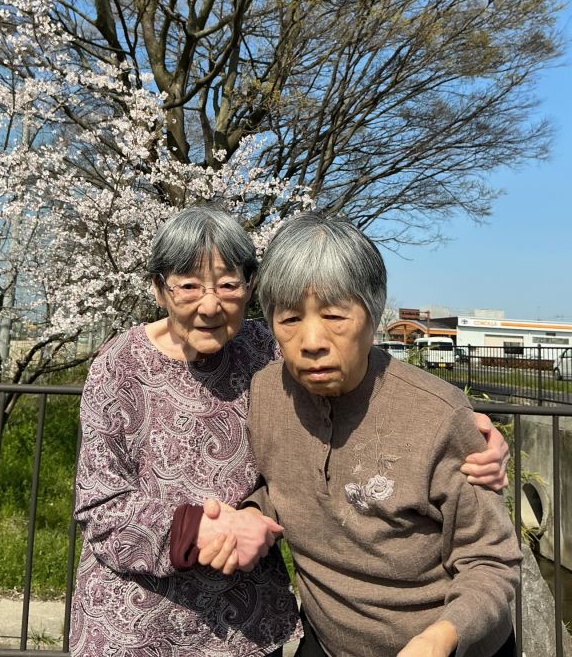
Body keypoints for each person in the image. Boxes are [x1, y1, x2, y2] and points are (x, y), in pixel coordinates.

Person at [70, 205, 511, 657]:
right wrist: (209, 526)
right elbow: (98, 501)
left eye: (227, 284)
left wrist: (479, 437)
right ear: (158, 289)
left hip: (247, 625)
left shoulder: (266, 352)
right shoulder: (121, 365)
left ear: (249, 287)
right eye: (187, 285)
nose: (209, 304)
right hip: (140, 621)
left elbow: (392, 405)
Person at [204, 213, 520, 657]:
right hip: (328, 639)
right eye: (290, 318)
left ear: (373, 315)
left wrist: (438, 639)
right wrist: (254, 514)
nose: (311, 339)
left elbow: (492, 561)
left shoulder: (438, 416)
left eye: (334, 316)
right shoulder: (266, 391)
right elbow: (290, 482)